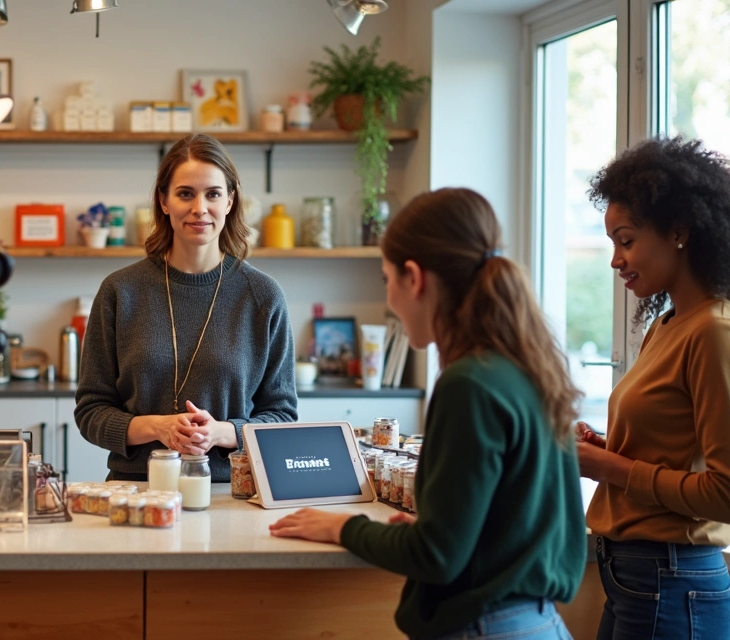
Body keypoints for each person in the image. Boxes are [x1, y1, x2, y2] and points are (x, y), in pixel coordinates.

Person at [270, 188, 587, 639]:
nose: (392, 301)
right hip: (539, 623)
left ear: (414, 278)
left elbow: (437, 556)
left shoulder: (468, 384)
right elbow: (515, 522)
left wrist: (344, 527)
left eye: (386, 280)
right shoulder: (527, 366)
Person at [74, 133, 297, 482]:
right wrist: (158, 427)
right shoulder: (120, 291)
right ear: (163, 201)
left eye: (213, 194)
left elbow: (282, 417)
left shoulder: (263, 296)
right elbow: (90, 413)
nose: (199, 208)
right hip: (137, 492)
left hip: (232, 493)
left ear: (230, 201)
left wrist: (221, 433)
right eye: (185, 194)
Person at [578, 137, 730, 640]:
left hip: (673, 576)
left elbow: (725, 494)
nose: (615, 261)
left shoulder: (714, 331)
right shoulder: (667, 325)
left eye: (625, 240)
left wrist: (606, 466)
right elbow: (669, 450)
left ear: (680, 233)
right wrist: (606, 447)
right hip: (637, 574)